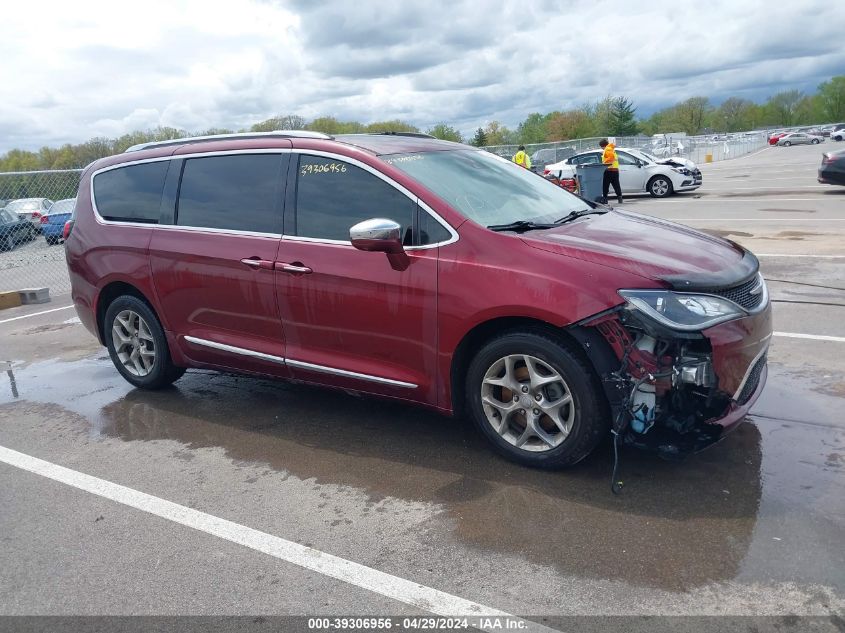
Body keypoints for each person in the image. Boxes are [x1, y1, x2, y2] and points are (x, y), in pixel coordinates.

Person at [599, 138, 622, 204]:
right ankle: (620, 199)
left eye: (601, 147)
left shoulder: (607, 149)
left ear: (602, 146)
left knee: (605, 185)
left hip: (609, 170)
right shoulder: (611, 149)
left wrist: (604, 164)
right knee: (616, 185)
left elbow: (611, 158)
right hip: (615, 170)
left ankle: (605, 199)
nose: (602, 149)